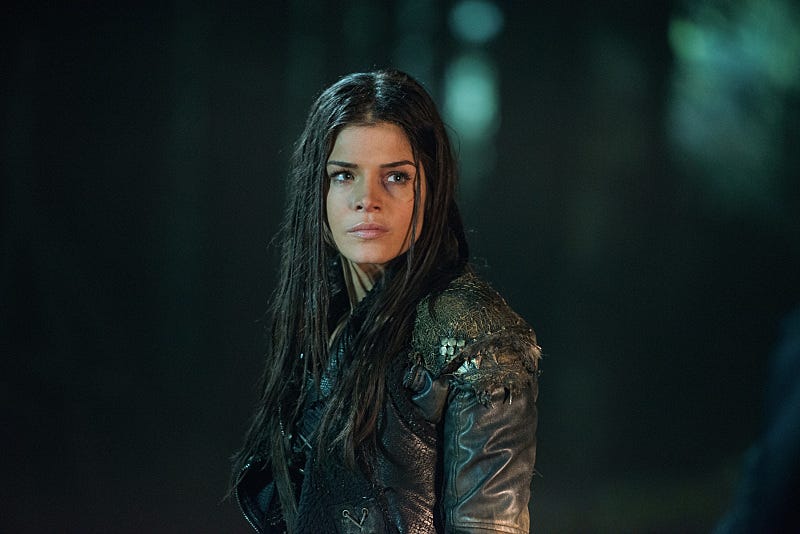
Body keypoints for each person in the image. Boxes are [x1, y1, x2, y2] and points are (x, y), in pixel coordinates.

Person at [231, 69, 541, 533]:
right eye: (344, 176)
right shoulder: (325, 322)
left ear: (430, 187)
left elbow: (486, 524)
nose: (367, 200)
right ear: (318, 191)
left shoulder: (475, 334)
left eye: (396, 176)